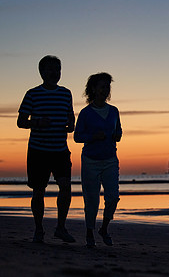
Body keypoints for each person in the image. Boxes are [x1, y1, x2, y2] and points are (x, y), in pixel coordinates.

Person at [17, 55, 76, 243]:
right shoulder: (32, 94)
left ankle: (60, 227)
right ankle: (39, 230)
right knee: (38, 191)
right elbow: (20, 122)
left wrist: (71, 125)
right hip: (38, 151)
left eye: (57, 69)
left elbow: (70, 116)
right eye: (50, 69)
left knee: (66, 187)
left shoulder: (66, 93)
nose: (54, 73)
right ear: (41, 72)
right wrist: (37, 122)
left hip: (60, 150)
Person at [74, 73, 122, 247]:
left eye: (107, 87)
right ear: (93, 89)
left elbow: (119, 132)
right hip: (90, 161)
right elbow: (77, 137)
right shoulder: (86, 113)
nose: (104, 90)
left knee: (113, 197)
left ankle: (104, 228)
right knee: (91, 200)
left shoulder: (114, 111)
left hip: (110, 159)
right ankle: (89, 232)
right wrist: (93, 136)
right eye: (101, 86)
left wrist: (117, 135)